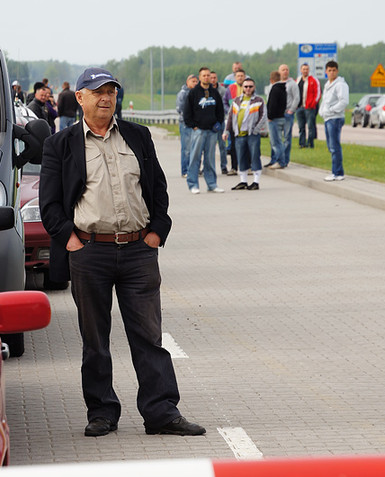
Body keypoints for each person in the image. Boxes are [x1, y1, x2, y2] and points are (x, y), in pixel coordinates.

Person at [39, 67, 206, 438]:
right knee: (95, 340)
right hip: (89, 252)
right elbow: (48, 204)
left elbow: (158, 189)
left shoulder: (137, 136)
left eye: (111, 91)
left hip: (138, 252)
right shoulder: (60, 144)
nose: (106, 98)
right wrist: (70, 240)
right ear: (80, 97)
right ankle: (102, 412)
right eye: (97, 91)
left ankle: (161, 412)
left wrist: (156, 233)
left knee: (149, 337)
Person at [183, 67, 225, 194]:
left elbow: (220, 110)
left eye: (208, 75)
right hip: (198, 131)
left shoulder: (214, 92)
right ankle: (193, 184)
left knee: (210, 159)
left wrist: (218, 123)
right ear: (200, 77)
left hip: (212, 131)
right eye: (204, 75)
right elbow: (187, 111)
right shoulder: (194, 93)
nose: (206, 77)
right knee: (195, 158)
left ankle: (212, 184)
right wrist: (193, 125)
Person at [223, 78, 267, 190]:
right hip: (239, 134)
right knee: (240, 157)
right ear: (242, 87)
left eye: (250, 86)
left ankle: (256, 182)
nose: (248, 89)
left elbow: (263, 116)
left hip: (252, 134)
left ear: (254, 87)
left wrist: (256, 129)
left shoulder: (259, 100)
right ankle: (243, 181)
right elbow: (230, 117)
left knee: (254, 156)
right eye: (246, 86)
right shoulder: (237, 101)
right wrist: (227, 131)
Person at [319, 60, 349, 182]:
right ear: (326, 72)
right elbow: (325, 101)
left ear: (337, 71)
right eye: (329, 70)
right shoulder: (327, 85)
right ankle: (335, 171)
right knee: (331, 146)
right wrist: (322, 112)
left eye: (334, 70)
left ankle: (337, 173)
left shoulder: (340, 85)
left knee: (334, 146)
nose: (331, 73)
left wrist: (331, 110)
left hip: (335, 118)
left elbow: (343, 102)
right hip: (328, 118)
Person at [222, 69, 248, 176]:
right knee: (233, 145)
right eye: (238, 76)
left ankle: (247, 166)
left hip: (246, 120)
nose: (240, 78)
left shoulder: (249, 87)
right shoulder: (230, 89)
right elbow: (224, 101)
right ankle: (234, 167)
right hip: (233, 120)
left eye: (242, 76)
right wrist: (230, 111)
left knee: (246, 144)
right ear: (235, 78)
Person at [176, 74, 198, 178]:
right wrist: (189, 119)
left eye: (196, 81)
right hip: (185, 124)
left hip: (195, 124)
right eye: (192, 81)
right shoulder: (183, 93)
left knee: (194, 148)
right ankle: (185, 170)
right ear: (187, 82)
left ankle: (192, 169)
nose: (195, 83)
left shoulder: (196, 93)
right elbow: (180, 109)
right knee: (186, 149)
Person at [279, 64, 300, 168]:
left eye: (287, 69)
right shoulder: (277, 84)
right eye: (283, 70)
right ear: (279, 72)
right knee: (277, 138)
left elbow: (297, 98)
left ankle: (285, 160)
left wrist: (291, 110)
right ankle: (278, 159)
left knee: (287, 137)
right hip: (278, 114)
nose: (285, 71)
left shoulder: (293, 84)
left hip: (288, 114)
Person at [265, 71, 287, 170]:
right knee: (279, 140)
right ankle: (282, 160)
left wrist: (269, 116)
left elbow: (272, 105)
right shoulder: (283, 88)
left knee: (276, 142)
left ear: (271, 80)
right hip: (281, 117)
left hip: (274, 119)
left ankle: (280, 161)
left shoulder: (274, 88)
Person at [296, 63, 320, 148]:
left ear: (309, 70)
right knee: (301, 127)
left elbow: (317, 94)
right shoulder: (298, 80)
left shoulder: (313, 80)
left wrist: (312, 104)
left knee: (310, 126)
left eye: (307, 69)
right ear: (301, 70)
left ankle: (310, 143)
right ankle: (302, 143)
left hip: (309, 108)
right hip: (299, 107)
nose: (305, 71)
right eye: (304, 69)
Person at [210, 71, 229, 175]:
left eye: (214, 78)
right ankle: (208, 167)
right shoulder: (206, 91)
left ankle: (224, 166)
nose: (213, 80)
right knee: (209, 147)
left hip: (220, 121)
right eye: (211, 77)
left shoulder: (222, 90)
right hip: (210, 122)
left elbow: (223, 105)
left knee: (222, 146)